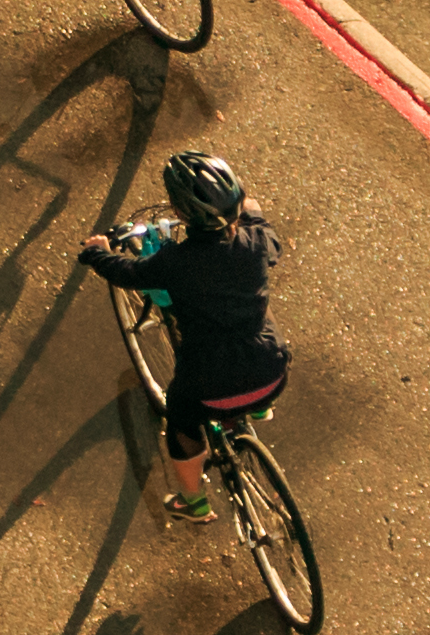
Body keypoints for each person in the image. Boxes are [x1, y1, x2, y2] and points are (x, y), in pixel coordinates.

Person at [81, 148, 286, 523]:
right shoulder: (258, 240)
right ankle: (259, 408)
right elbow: (265, 232)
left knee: (180, 419)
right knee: (257, 308)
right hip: (271, 374)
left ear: (179, 214)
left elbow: (128, 274)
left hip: (211, 388)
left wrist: (98, 254)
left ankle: (194, 502)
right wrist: (251, 212)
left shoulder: (175, 262)